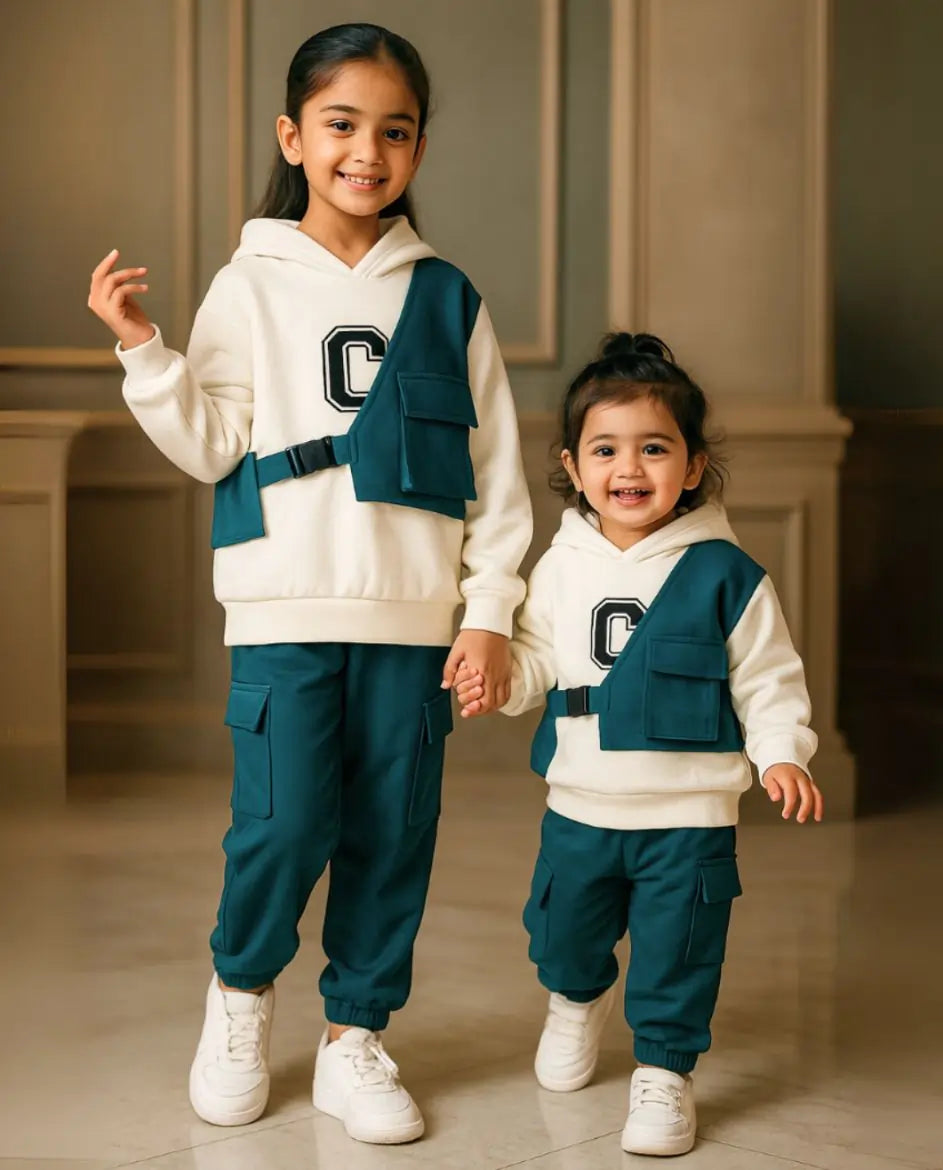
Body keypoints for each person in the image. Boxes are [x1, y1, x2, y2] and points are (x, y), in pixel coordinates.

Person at [87, 22, 531, 1146]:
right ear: (294, 136)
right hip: (284, 606)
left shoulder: (449, 298)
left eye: (396, 131)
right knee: (282, 827)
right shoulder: (248, 284)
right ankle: (239, 1001)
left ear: (419, 148)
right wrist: (144, 351)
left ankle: (354, 1038)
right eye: (342, 125)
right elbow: (211, 444)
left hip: (415, 621)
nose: (366, 152)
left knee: (393, 831)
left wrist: (487, 615)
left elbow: (496, 479)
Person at [454, 333, 822, 1157]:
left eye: (654, 448)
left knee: (678, 951)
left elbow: (767, 677)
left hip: (690, 816)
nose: (630, 467)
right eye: (606, 449)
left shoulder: (727, 574)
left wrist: (781, 752)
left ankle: (664, 1071)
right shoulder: (560, 566)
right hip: (581, 805)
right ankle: (576, 1000)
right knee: (563, 934)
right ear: (573, 465)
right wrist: (505, 681)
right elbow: (539, 656)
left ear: (692, 466)